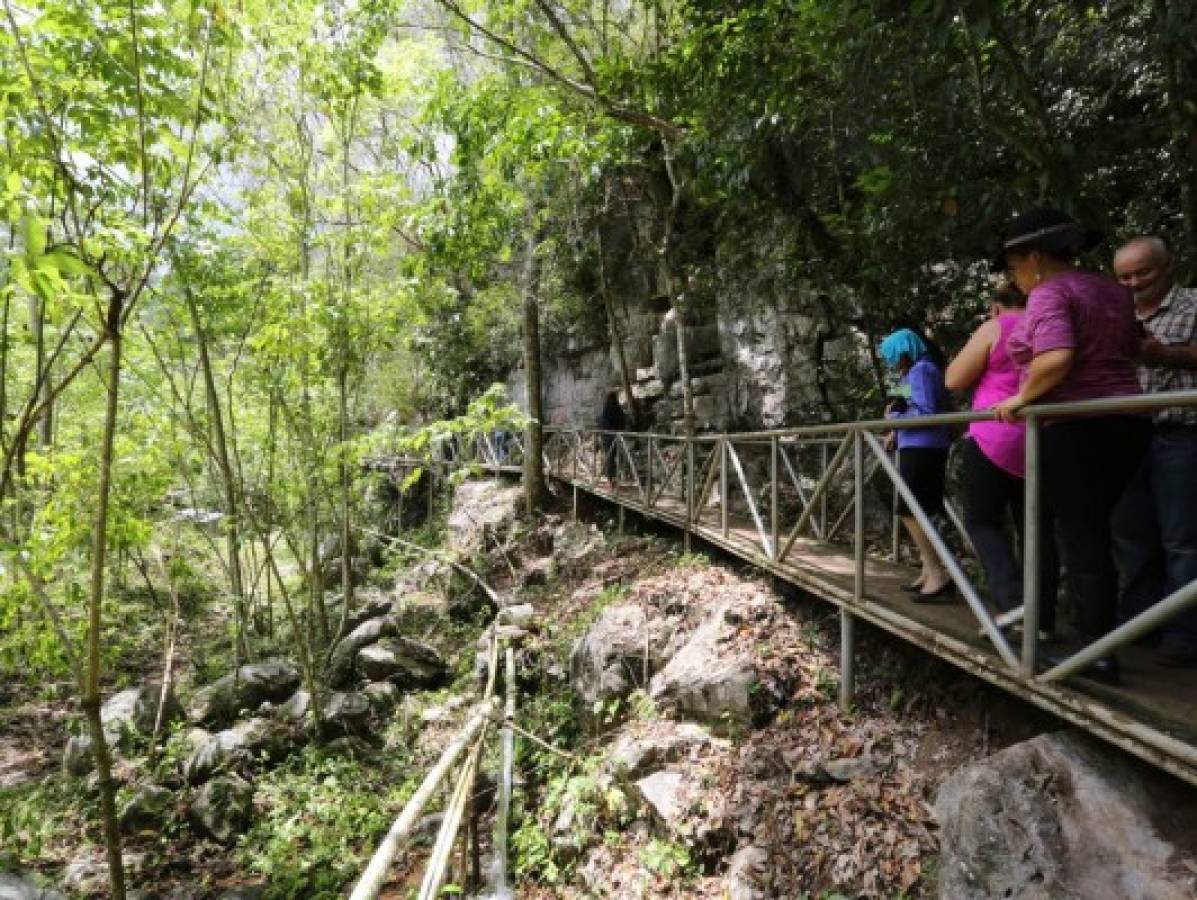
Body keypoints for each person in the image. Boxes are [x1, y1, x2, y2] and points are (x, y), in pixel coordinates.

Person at [993, 207, 1150, 683]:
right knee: (1095, 530)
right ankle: (1099, 638)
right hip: (1129, 421)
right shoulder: (1112, 291)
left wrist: (1020, 398)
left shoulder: (1050, 292)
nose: (1012, 277)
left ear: (1035, 258)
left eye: (1013, 266)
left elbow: (1057, 357)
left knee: (1083, 535)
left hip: (1075, 423)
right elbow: (1137, 346)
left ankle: (1096, 652)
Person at [945, 283, 1059, 633]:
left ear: (996, 306)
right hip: (1044, 435)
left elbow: (954, 379)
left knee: (981, 520)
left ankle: (1013, 605)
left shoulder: (999, 325)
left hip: (995, 435)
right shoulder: (1054, 324)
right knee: (1037, 530)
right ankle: (1043, 619)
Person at [1111, 236, 1197, 666]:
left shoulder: (1192, 305)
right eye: (1123, 276)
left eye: (1142, 272)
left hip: (1181, 434)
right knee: (1131, 534)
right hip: (1128, 437)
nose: (1133, 283)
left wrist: (1167, 355)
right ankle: (1139, 624)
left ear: (1167, 266)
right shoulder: (1115, 315)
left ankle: (1182, 635)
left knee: (1181, 538)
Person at [881, 327, 954, 601]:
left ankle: (937, 574)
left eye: (893, 356)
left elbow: (925, 412)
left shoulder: (922, 370)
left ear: (905, 351)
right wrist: (893, 429)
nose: (891, 362)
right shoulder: (912, 373)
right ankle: (928, 571)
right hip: (917, 445)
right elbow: (898, 407)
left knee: (909, 510)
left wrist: (893, 422)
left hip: (924, 447)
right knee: (918, 509)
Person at [596, 391, 627, 483]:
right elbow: (622, 420)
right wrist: (620, 430)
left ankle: (611, 479)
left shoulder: (607, 408)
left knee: (610, 457)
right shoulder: (617, 408)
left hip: (608, 437)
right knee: (614, 457)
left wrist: (603, 434)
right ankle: (615, 478)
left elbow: (603, 423)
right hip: (617, 436)